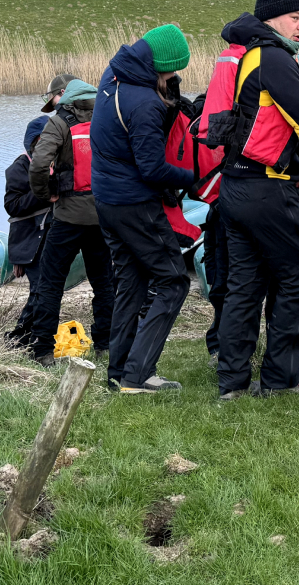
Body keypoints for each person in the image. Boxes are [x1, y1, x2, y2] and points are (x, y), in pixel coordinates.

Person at [213, 0, 299, 400]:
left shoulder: (247, 55)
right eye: (295, 17)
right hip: (268, 188)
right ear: (271, 17)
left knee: (244, 285)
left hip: (235, 186)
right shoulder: (274, 58)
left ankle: (232, 383)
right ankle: (281, 378)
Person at [91, 24, 196, 393]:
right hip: (135, 205)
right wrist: (192, 176)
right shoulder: (146, 104)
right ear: (161, 66)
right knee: (174, 280)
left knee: (131, 284)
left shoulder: (113, 75)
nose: (174, 77)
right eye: (172, 71)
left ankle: (118, 372)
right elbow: (152, 168)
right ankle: (139, 374)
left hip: (104, 201)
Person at [23, 78, 115, 365]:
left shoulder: (59, 122)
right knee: (104, 283)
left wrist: (45, 194)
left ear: (64, 99)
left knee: (50, 283)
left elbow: (39, 164)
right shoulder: (109, 114)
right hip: (102, 215)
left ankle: (43, 352)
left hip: (67, 217)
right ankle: (106, 345)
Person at [3, 115, 54, 349]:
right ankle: (22, 336)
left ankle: (25, 336)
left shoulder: (61, 165)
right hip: (28, 240)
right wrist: (44, 192)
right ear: (34, 143)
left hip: (50, 237)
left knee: (44, 288)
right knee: (41, 289)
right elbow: (12, 206)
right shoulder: (19, 167)